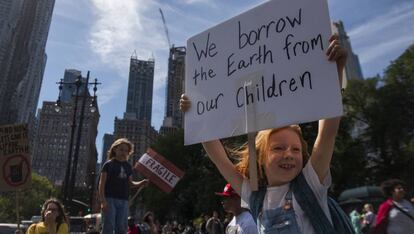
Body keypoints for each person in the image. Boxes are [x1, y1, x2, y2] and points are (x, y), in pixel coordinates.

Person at [180, 34, 348, 233]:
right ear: (260, 157)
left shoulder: (311, 183)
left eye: (296, 149)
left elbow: (327, 132)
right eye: (278, 148)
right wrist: (197, 115)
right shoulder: (253, 195)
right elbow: (220, 159)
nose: (289, 154)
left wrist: (335, 70)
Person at [99, 138, 149, 234]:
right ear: (115, 149)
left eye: (126, 150)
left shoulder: (128, 166)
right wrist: (103, 201)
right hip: (110, 199)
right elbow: (101, 184)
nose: (123, 152)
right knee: (108, 226)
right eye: (121, 149)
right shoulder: (108, 165)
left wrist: (141, 182)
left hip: (124, 200)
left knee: (122, 227)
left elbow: (130, 184)